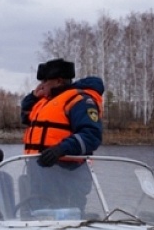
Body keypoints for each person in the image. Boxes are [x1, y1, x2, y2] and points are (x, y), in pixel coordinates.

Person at [21, 58, 104, 211]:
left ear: (58, 81)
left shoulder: (79, 100)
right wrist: (33, 96)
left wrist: (60, 149)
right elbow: (25, 117)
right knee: (38, 215)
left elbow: (91, 135)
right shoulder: (43, 102)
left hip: (67, 176)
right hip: (40, 176)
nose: (41, 85)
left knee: (65, 216)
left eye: (45, 80)